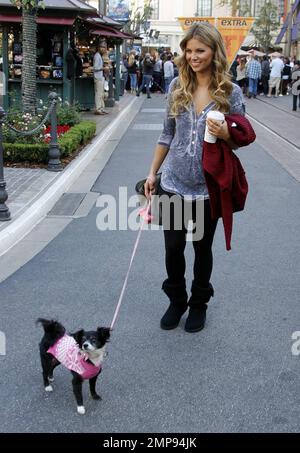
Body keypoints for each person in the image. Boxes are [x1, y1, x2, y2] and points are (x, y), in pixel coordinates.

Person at [144, 23, 246, 333]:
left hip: (207, 190)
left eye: (199, 50)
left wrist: (226, 132)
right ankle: (177, 300)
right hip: (173, 184)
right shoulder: (177, 85)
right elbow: (167, 134)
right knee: (173, 248)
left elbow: (241, 140)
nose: (192, 56)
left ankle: (198, 304)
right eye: (188, 51)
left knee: (202, 248)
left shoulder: (231, 91)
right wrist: (151, 174)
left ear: (214, 51)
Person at [93, 43, 108, 115]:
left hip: (100, 76)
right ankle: (98, 109)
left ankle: (101, 108)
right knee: (99, 94)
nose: (103, 49)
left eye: (104, 47)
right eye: (102, 47)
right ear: (99, 47)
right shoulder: (97, 56)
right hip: (98, 77)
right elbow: (95, 68)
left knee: (101, 94)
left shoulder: (99, 56)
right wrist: (103, 68)